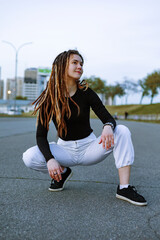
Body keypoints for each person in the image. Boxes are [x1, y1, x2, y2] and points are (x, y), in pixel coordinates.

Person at [23, 50, 147, 206]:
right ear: (62, 66)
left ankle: (124, 188)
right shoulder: (49, 98)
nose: (79, 66)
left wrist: (108, 126)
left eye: (81, 63)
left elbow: (107, 117)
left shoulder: (86, 93)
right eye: (75, 62)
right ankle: (63, 172)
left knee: (122, 130)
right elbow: (41, 136)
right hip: (65, 150)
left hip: (89, 148)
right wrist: (50, 159)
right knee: (29, 157)